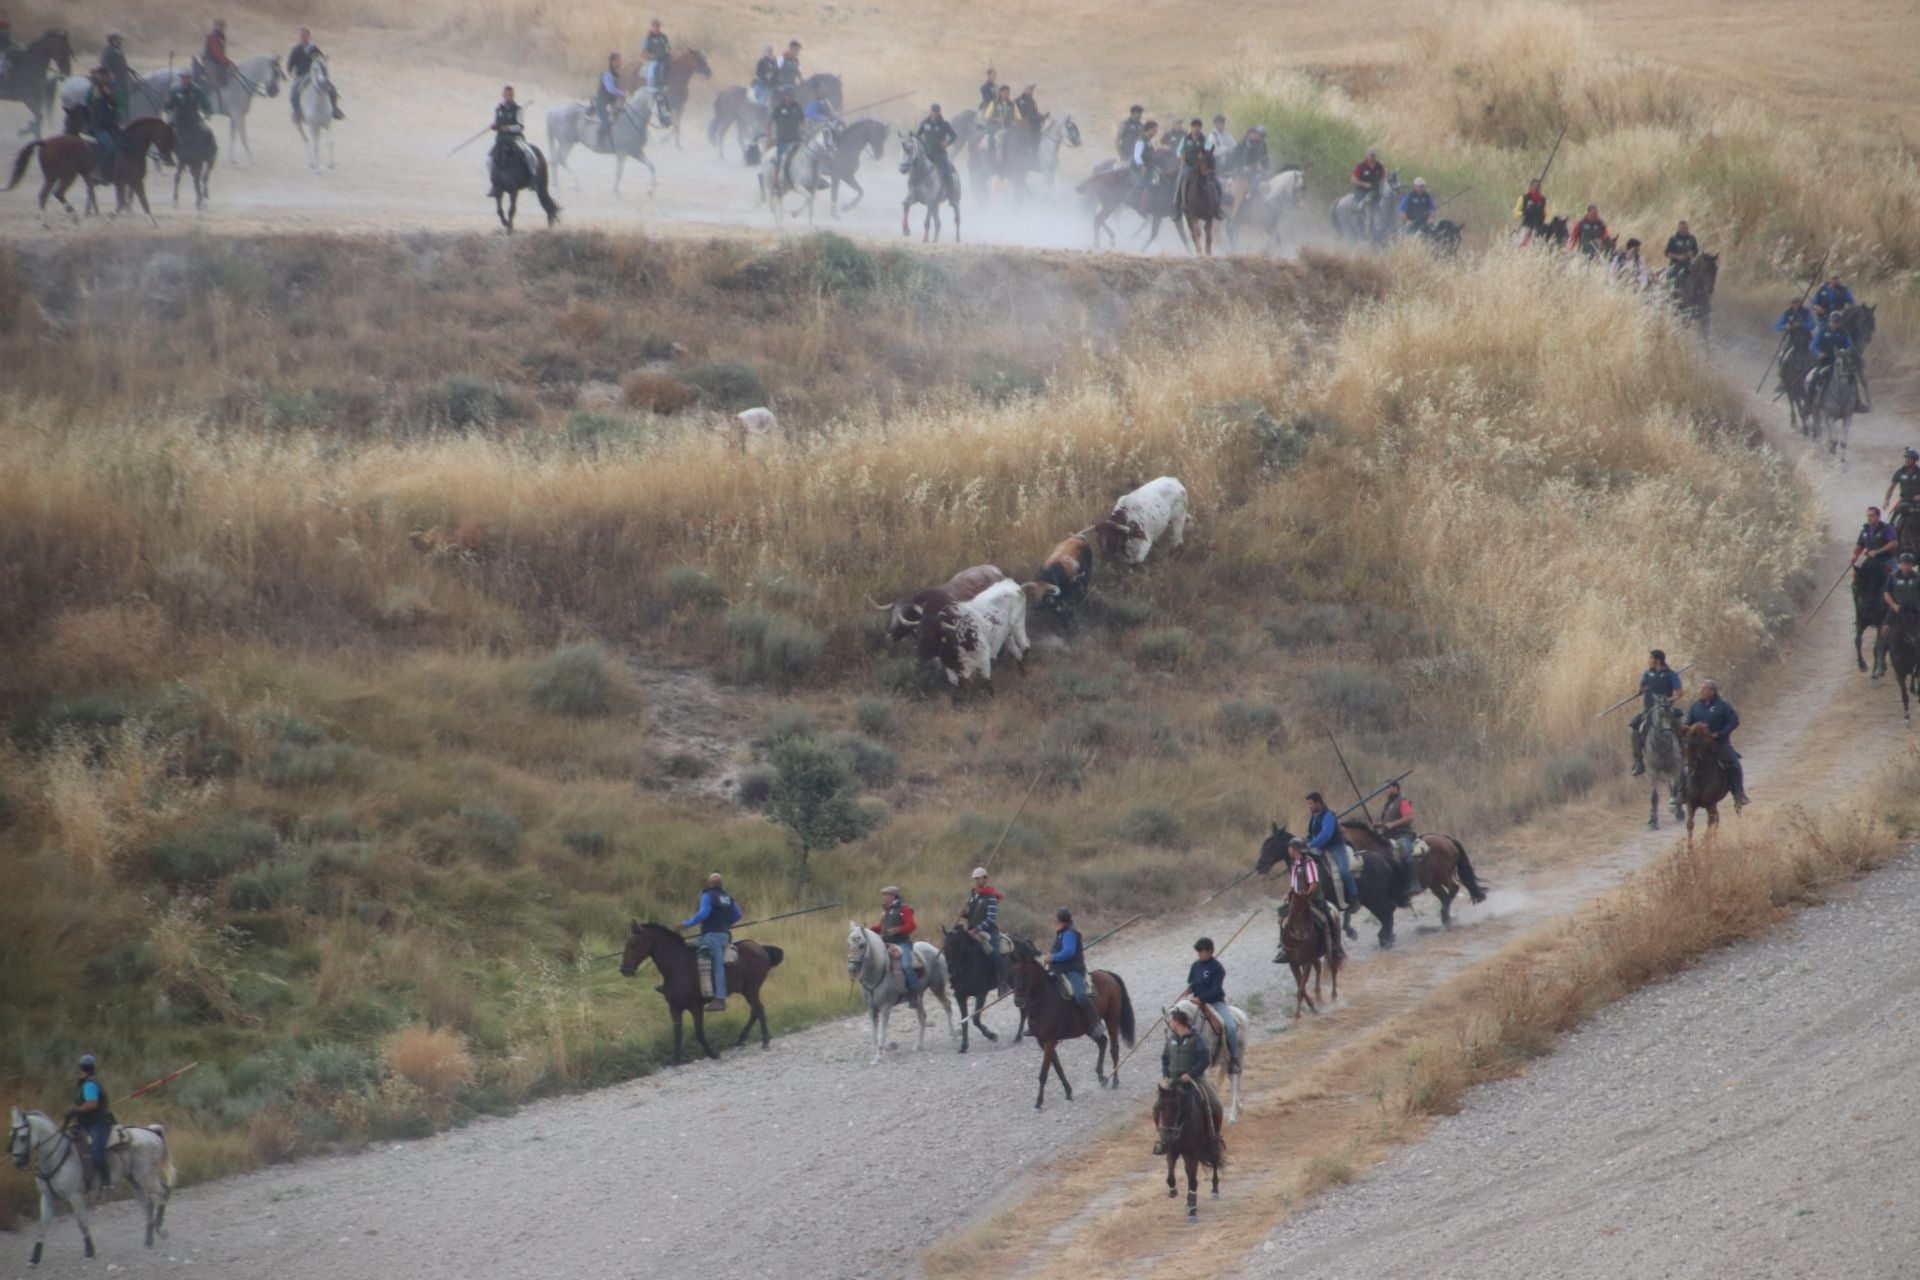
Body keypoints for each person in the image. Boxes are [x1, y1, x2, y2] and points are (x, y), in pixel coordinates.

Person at [1153, 1008, 1217, 1155]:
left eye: (1171, 1020)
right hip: (1174, 1080)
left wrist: (1191, 1074)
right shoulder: (1172, 1039)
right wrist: (1166, 1073)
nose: (1169, 1023)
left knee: (1215, 1104)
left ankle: (1214, 1138)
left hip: (1195, 1078)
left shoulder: (1197, 1038)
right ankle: (1163, 1140)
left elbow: (1204, 1059)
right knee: (1157, 1107)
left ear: (1177, 1021)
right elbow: (1165, 1058)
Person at [679, 872, 741, 1012]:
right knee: (692, 946)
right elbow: (738, 914)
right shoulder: (727, 897)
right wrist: (726, 923)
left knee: (717, 966)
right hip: (725, 935)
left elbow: (703, 913)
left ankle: (719, 999)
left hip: (711, 936)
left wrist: (685, 924)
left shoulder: (707, 896)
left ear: (709, 883)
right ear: (721, 883)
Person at [1178, 937, 1240, 1072]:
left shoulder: (1218, 968)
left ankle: (1235, 1058)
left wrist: (1201, 997)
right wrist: (1190, 989)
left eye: (1201, 951)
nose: (1199, 954)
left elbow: (1215, 989)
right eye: (1198, 951)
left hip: (1216, 1003)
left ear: (1210, 951)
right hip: (1197, 1004)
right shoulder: (1195, 965)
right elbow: (1194, 983)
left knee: (1230, 1026)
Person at [1685, 678, 1749, 807]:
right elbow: (1688, 722)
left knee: (1734, 763)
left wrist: (1720, 734)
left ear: (1712, 691)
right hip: (1699, 745)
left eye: (1705, 688)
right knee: (1686, 763)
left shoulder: (1723, 705)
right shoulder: (1696, 706)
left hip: (1719, 743)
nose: (1702, 691)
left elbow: (1734, 721)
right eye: (1702, 688)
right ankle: (1681, 793)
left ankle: (1738, 793)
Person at [1048, 907, 1103, 1045]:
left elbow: (1068, 952)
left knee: (1080, 995)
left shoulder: (1069, 933)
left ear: (1061, 921)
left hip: (1073, 970)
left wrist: (1052, 957)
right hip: (1060, 969)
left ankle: (1095, 1022)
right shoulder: (1062, 932)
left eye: (1057, 920)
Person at [1283, 837, 1343, 959]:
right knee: (1283, 919)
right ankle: (1285, 947)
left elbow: (1314, 883)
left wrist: (1306, 895)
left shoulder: (1309, 863)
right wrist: (1288, 893)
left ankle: (1334, 945)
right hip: (1298, 899)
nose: (1288, 849)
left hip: (1313, 898)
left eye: (1290, 847)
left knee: (1325, 917)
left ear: (1295, 850)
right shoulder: (1294, 863)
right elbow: (1293, 884)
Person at [1304, 791, 1357, 932]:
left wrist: (1312, 844)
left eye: (1311, 803)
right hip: (1320, 848)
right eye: (1308, 804)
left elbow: (1325, 835)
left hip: (1335, 846)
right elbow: (1312, 834)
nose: (1309, 806)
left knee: (1344, 871)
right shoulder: (1314, 817)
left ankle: (1353, 896)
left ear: (1318, 802)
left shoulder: (1328, 816)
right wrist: (1307, 841)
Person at [1628, 649, 1683, 776]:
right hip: (1649, 710)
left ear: (1657, 660)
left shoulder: (1671, 674)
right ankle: (1639, 762)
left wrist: (1669, 699)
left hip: (1666, 709)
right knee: (1634, 731)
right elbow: (1641, 687)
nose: (1649, 661)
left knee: (1682, 727)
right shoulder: (1647, 674)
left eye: (1650, 658)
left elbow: (1679, 692)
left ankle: (1684, 755)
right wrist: (1641, 689)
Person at [65, 1054, 113, 1191]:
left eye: (79, 1068)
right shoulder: (85, 1083)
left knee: (97, 1154)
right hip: (86, 1123)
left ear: (82, 1069)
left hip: (98, 1123)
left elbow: (92, 1104)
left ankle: (106, 1182)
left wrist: (75, 1110)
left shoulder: (89, 1084)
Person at [957, 865, 1006, 992]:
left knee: (995, 954)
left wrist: (977, 929)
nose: (977, 881)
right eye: (976, 879)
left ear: (985, 879)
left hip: (987, 932)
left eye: (979, 879)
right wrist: (964, 914)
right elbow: (971, 914)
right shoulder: (974, 895)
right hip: (972, 931)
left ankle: (1002, 981)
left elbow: (990, 919)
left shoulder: (992, 897)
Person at [1809, 310, 1867, 412]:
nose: (1834, 324)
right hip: (1825, 361)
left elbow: (1850, 345)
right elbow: (1813, 345)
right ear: (1829, 321)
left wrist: (1845, 351)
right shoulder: (1822, 331)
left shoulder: (1844, 333)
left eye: (1837, 322)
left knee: (1853, 377)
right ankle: (1809, 404)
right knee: (1814, 379)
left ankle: (1857, 402)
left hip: (1840, 361)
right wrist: (1818, 353)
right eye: (1833, 321)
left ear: (1840, 323)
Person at [1376, 779, 1417, 907]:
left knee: (1404, 852)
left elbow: (1409, 817)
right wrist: (1379, 824)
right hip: (1389, 836)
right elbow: (1387, 823)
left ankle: (1413, 883)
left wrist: (1393, 824)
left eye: (1388, 788)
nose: (1386, 791)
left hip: (1402, 835)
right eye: (1385, 788)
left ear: (1396, 788)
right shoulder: (1389, 804)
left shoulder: (1402, 801)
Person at [287, 28, 343, 123]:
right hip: (301, 75)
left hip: (314, 74)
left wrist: (324, 58)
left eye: (304, 35)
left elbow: (320, 59)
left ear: (309, 37)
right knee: (294, 93)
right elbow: (291, 62)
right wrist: (289, 69)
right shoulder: (296, 49)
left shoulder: (313, 48)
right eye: (301, 36)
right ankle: (297, 113)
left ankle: (334, 109)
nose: (303, 37)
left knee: (332, 88)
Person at [872, 886, 919, 996]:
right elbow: (881, 927)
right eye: (882, 895)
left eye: (885, 895)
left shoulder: (904, 909)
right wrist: (866, 931)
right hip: (886, 944)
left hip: (902, 944)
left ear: (893, 896)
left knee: (906, 965)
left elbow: (912, 926)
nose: (883, 897)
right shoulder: (885, 911)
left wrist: (898, 930)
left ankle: (914, 991)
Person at [85, 66, 123, 178]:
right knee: (110, 147)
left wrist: (111, 96)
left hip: (110, 125)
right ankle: (98, 170)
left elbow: (115, 105)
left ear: (108, 76)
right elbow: (98, 106)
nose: (101, 77)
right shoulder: (96, 89)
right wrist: (107, 95)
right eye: (99, 75)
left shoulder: (110, 89)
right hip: (99, 126)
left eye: (103, 75)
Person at [489, 85, 531, 187]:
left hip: (515, 138)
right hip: (501, 139)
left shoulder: (518, 109)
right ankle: (494, 183)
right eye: (506, 95)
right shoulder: (498, 109)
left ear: (513, 96)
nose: (508, 97)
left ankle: (531, 179)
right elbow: (497, 122)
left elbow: (520, 126)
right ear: (503, 95)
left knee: (529, 156)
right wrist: (494, 126)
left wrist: (508, 128)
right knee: (490, 159)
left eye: (510, 95)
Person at [1854, 507, 1899, 597]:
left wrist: (1878, 551)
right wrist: (1854, 555)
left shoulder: (1887, 528)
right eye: (1868, 516)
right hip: (1870, 561)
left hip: (1886, 560)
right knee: (1857, 580)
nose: (1869, 518)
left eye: (1872, 516)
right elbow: (1860, 545)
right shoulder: (1865, 530)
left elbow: (1894, 543)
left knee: (1895, 582)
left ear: (1878, 517)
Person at [915, 103, 958, 193]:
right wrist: (919, 144)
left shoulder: (944, 124)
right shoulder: (925, 123)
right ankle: (913, 191)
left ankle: (951, 194)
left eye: (936, 112)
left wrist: (947, 143)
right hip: (927, 154)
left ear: (939, 112)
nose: (934, 114)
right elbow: (917, 136)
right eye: (933, 112)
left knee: (947, 173)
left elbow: (954, 136)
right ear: (930, 112)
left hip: (940, 154)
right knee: (914, 170)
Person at [1174, 117, 1213, 213]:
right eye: (1194, 126)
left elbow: (1209, 150)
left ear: (1200, 128)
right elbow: (1179, 151)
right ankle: (1178, 202)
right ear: (1191, 127)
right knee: (1181, 178)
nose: (1196, 128)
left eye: (1198, 126)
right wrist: (1182, 159)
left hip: (1201, 166)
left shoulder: (1205, 139)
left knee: (1214, 181)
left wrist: (1204, 153)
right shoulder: (1185, 139)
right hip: (1188, 165)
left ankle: (1215, 203)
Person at [769, 86, 804, 187]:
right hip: (783, 140)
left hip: (796, 139)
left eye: (792, 95)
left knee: (807, 155)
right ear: (785, 96)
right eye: (789, 95)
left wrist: (802, 128)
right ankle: (775, 182)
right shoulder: (778, 108)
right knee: (780, 160)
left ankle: (814, 178)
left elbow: (802, 120)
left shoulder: (797, 107)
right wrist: (769, 137)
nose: (791, 97)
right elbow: (769, 122)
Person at [165, 68, 212, 140]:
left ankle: (209, 150)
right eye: (182, 77)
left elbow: (204, 101)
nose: (184, 79)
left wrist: (207, 111)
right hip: (178, 118)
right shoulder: (175, 90)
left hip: (194, 118)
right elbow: (169, 106)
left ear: (190, 78)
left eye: (186, 77)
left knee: (207, 133)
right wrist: (168, 106)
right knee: (166, 132)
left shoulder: (197, 90)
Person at [591, 52, 623, 149]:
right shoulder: (607, 75)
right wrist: (622, 93)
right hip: (602, 102)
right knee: (606, 122)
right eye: (618, 60)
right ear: (612, 62)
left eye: (620, 60)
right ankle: (599, 142)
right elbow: (611, 89)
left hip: (612, 102)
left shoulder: (617, 74)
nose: (620, 62)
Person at [1884, 554, 1920, 639]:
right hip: (1898, 608)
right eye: (1903, 564)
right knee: (1885, 630)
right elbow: (1887, 594)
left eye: (1908, 564)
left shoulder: (1918, 577)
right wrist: (1893, 605)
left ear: (1912, 565)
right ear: (1900, 565)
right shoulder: (1893, 577)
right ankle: (1880, 650)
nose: (1905, 567)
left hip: (1915, 609)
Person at [1886, 448, 1920, 532]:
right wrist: (1886, 500)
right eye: (1906, 458)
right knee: (1891, 522)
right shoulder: (1900, 472)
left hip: (1917, 502)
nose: (1907, 460)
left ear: (1916, 460)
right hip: (1904, 501)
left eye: (1910, 458)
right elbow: (1891, 488)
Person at [100, 32, 132, 117]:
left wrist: (128, 68)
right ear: (113, 40)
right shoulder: (108, 50)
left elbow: (121, 62)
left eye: (120, 39)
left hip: (122, 77)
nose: (121, 41)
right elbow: (104, 62)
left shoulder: (119, 49)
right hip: (115, 78)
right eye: (119, 39)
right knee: (119, 95)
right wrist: (109, 72)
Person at [1351, 147, 1385, 221]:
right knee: (1360, 207)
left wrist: (1383, 187)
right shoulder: (1361, 166)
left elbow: (1383, 178)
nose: (1372, 157)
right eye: (1371, 155)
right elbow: (1353, 179)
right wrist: (1364, 184)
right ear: (1367, 155)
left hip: (1375, 191)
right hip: (1362, 191)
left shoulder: (1379, 166)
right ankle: (1359, 223)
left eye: (1374, 155)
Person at [1514, 178, 1548, 245]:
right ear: (1530, 187)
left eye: (1538, 187)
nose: (1537, 189)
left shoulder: (1543, 200)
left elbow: (1546, 214)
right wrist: (1524, 213)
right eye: (1535, 187)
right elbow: (1516, 213)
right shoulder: (1523, 198)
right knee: (1520, 242)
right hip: (1526, 225)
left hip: (1539, 227)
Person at [203, 18, 233, 91]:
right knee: (213, 78)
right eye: (219, 25)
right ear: (215, 26)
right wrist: (228, 62)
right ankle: (213, 94)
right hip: (209, 61)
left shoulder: (222, 36)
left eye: (222, 26)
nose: (221, 27)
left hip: (218, 62)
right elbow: (217, 53)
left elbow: (221, 53)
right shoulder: (212, 37)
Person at [642, 18, 670, 92]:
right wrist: (652, 56)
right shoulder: (648, 38)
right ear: (652, 27)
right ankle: (651, 86)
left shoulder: (663, 36)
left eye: (659, 26)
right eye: (656, 26)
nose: (658, 28)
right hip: (653, 59)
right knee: (654, 66)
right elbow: (644, 52)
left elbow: (668, 47)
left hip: (665, 57)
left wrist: (668, 51)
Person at [1130, 119, 1159, 190]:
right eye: (1154, 130)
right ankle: (1145, 201)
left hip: (1148, 166)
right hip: (1140, 167)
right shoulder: (1141, 140)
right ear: (1149, 129)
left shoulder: (1147, 140)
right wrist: (1142, 166)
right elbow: (1137, 156)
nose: (1156, 133)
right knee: (1147, 185)